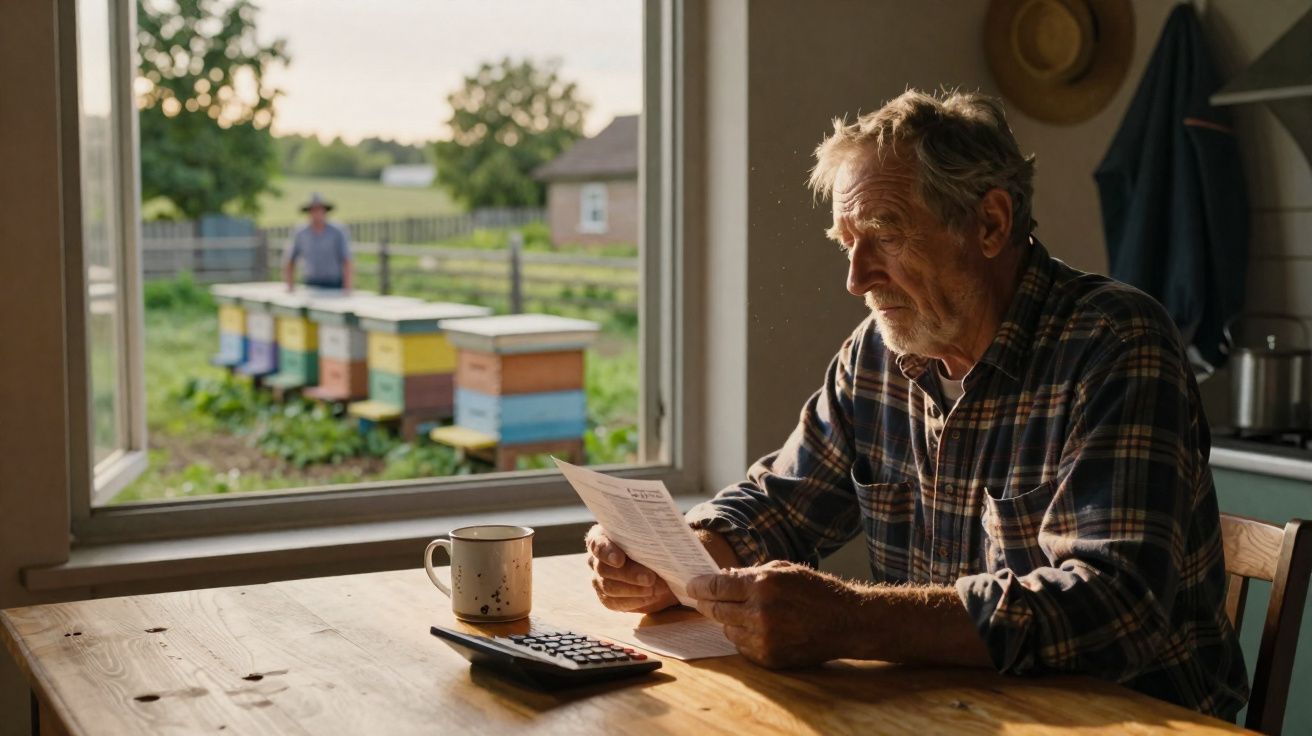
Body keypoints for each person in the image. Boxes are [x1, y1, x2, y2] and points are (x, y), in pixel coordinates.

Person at [584, 90, 1249, 719]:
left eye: (886, 235)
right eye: (848, 244)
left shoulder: (1114, 345)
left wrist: (850, 619)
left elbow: (1113, 608)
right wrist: (686, 556)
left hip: (1132, 722)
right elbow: (782, 504)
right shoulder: (876, 354)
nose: (856, 278)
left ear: (989, 223)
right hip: (957, 715)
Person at [283, 192, 352, 290]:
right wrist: (290, 287)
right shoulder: (300, 233)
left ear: (325, 211)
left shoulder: (337, 231)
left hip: (334, 283)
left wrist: (348, 288)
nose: (316, 213)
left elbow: (347, 260)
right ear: (309, 212)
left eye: (319, 209)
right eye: (313, 210)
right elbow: (290, 260)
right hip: (310, 283)